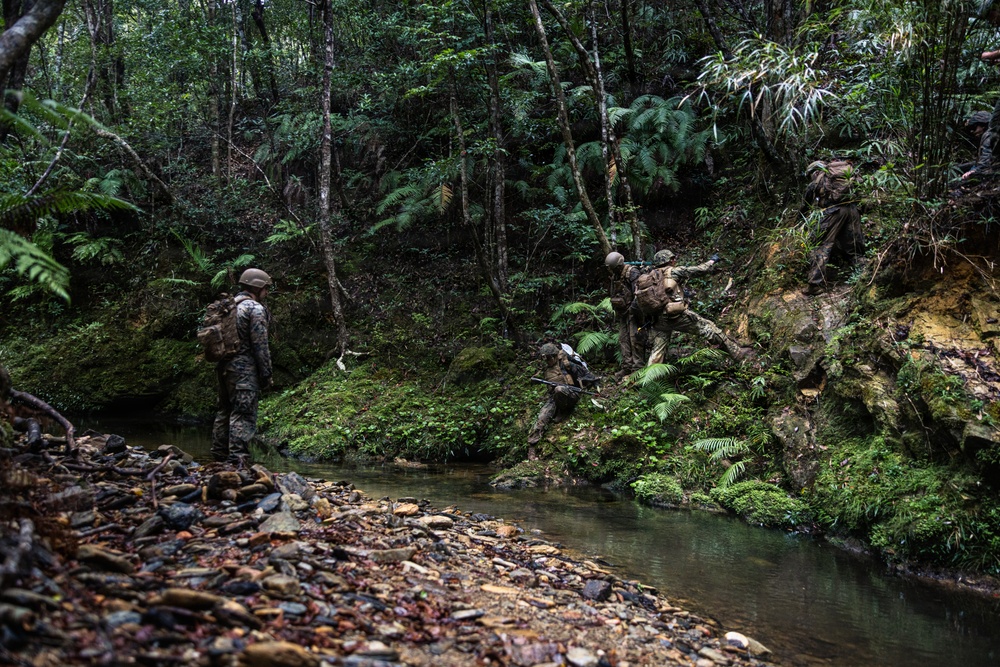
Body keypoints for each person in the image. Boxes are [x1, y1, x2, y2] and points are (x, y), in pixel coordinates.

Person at [211, 268, 273, 465]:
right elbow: (260, 346)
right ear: (258, 287)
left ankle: (219, 456)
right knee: (243, 413)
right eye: (266, 288)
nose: (267, 292)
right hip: (244, 371)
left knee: (224, 411)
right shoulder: (254, 309)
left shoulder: (228, 306)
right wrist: (266, 374)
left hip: (223, 367)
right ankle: (238, 460)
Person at [644, 249, 746, 365]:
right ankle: (737, 354)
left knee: (657, 351)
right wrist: (712, 261)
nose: (674, 260)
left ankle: (651, 375)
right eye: (673, 258)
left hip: (658, 319)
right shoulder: (674, 271)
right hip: (675, 316)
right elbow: (701, 270)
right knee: (709, 328)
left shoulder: (651, 276)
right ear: (670, 260)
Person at [802, 160, 864, 295]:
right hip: (852, 210)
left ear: (814, 171)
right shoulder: (843, 176)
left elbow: (805, 204)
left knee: (821, 245)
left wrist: (800, 220)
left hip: (834, 212)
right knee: (853, 247)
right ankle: (864, 276)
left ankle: (814, 284)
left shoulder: (818, 180)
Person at [527, 343, 598, 459]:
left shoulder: (566, 364)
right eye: (545, 358)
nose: (547, 361)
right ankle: (532, 446)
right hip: (554, 397)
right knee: (542, 417)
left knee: (559, 389)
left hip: (571, 394)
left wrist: (594, 384)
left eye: (549, 358)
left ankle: (563, 412)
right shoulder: (546, 369)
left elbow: (584, 373)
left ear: (554, 356)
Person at [605, 251, 646, 373]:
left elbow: (638, 294)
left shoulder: (632, 273)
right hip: (623, 312)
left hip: (634, 312)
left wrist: (633, 310)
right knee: (623, 339)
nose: (612, 271)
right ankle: (627, 366)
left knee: (635, 339)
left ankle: (637, 368)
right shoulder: (615, 276)